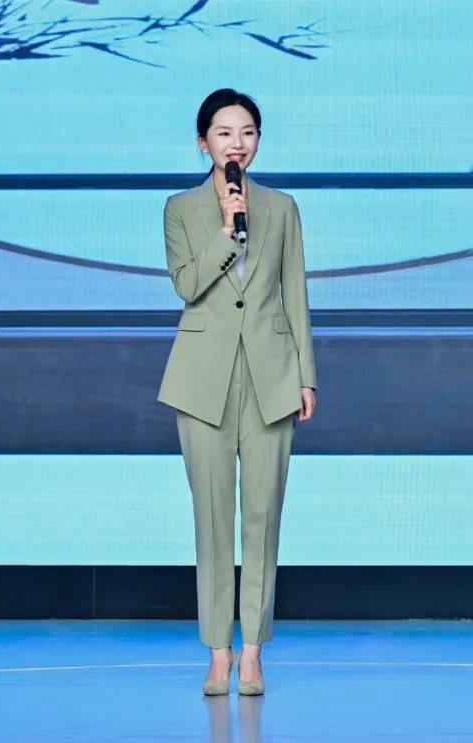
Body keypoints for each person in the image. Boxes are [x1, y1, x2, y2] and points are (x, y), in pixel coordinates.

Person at [157, 88, 317, 695]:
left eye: (248, 132)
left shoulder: (282, 207)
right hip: (203, 379)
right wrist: (227, 229)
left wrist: (305, 375)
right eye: (224, 133)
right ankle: (217, 652)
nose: (237, 143)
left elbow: (295, 293)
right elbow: (187, 286)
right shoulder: (180, 209)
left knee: (262, 518)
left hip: (271, 376)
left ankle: (252, 651)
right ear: (203, 143)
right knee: (213, 521)